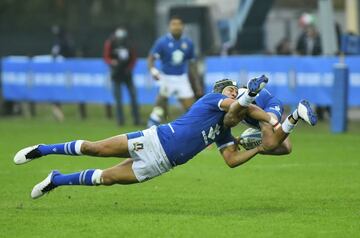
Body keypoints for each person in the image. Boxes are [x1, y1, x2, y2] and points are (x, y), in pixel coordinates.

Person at [147, 15, 202, 127]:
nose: (176, 27)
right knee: (160, 106)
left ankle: (190, 132)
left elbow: (192, 65)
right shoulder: (162, 42)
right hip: (166, 78)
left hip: (182, 78)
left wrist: (197, 84)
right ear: (169, 27)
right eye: (173, 24)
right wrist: (153, 70)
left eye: (178, 24)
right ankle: (150, 128)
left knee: (192, 110)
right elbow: (151, 58)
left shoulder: (188, 43)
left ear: (182, 27)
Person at [229, 87, 317, 155]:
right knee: (286, 148)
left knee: (269, 142)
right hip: (261, 111)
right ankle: (295, 115)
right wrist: (238, 140)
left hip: (266, 104)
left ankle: (296, 114)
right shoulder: (226, 105)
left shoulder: (233, 98)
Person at [103, 27, 140, 126]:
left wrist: (129, 68)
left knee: (133, 96)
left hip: (127, 74)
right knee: (118, 99)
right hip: (116, 74)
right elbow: (106, 57)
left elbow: (134, 58)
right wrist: (112, 62)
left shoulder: (129, 44)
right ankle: (120, 121)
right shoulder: (110, 43)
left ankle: (136, 119)